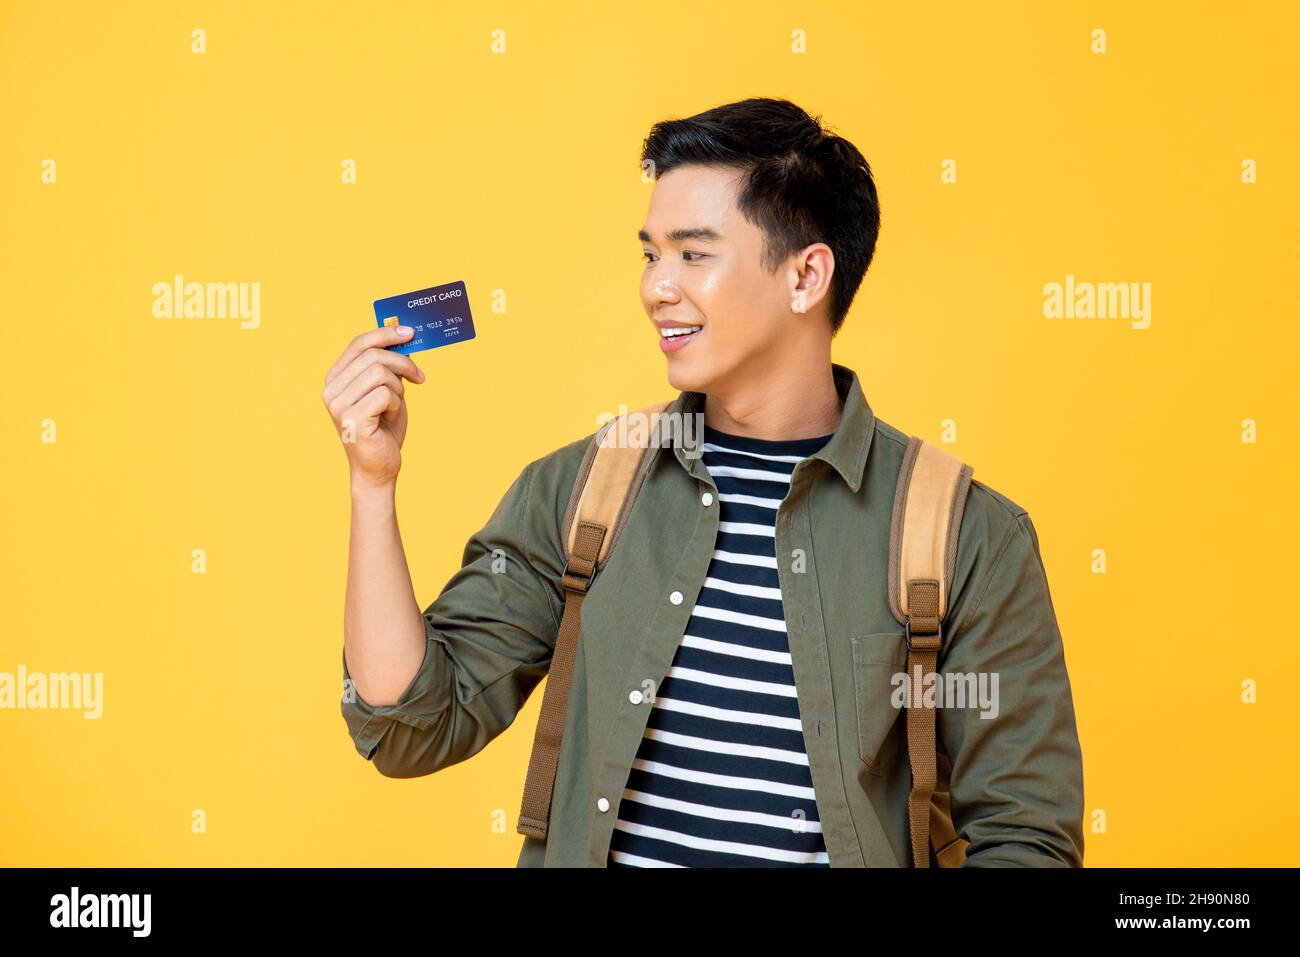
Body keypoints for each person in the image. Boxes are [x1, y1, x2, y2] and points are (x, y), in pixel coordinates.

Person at [322, 97, 1085, 867]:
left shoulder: (964, 534)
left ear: (806, 275)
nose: (657, 286)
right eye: (650, 253)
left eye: (693, 254)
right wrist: (372, 487)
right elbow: (411, 724)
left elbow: (1024, 838)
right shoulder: (585, 492)